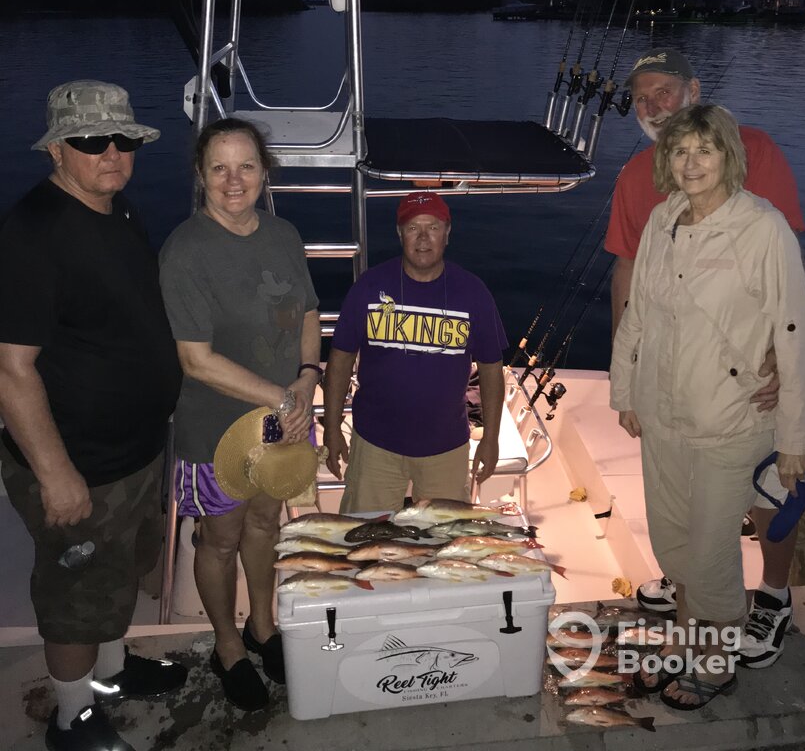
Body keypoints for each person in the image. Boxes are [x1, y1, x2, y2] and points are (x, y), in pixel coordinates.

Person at [0, 81, 187, 751]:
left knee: (119, 573)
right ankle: (71, 717)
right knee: (76, 595)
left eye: (122, 139)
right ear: (56, 149)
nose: (111, 153)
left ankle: (110, 672)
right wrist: (56, 475)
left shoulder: (118, 208)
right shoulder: (34, 234)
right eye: (89, 140)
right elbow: (10, 369)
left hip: (135, 453)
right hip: (81, 464)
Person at [605, 48, 805, 667]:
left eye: (663, 91)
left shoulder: (760, 199)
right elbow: (634, 294)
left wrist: (792, 424)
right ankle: (690, 621)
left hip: (732, 406)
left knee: (734, 524)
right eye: (641, 97)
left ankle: (753, 614)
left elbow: (789, 312)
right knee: (676, 532)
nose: (653, 106)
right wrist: (625, 384)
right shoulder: (654, 207)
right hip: (666, 402)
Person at [159, 117, 320, 713]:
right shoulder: (185, 251)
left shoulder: (283, 233)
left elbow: (308, 312)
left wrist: (308, 376)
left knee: (265, 524)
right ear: (200, 175)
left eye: (246, 166)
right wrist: (282, 397)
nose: (234, 180)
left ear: (264, 171)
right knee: (220, 539)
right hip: (215, 430)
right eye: (219, 168)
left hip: (282, 421)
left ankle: (262, 625)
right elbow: (195, 360)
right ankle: (227, 645)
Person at [323, 192, 507, 512]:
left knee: (444, 538)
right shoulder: (368, 287)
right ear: (400, 234)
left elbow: (492, 369)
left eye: (433, 227)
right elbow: (340, 360)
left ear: (447, 233)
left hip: (446, 448)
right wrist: (332, 428)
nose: (423, 238)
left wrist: (491, 438)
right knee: (365, 532)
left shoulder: (473, 293)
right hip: (375, 445)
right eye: (413, 228)